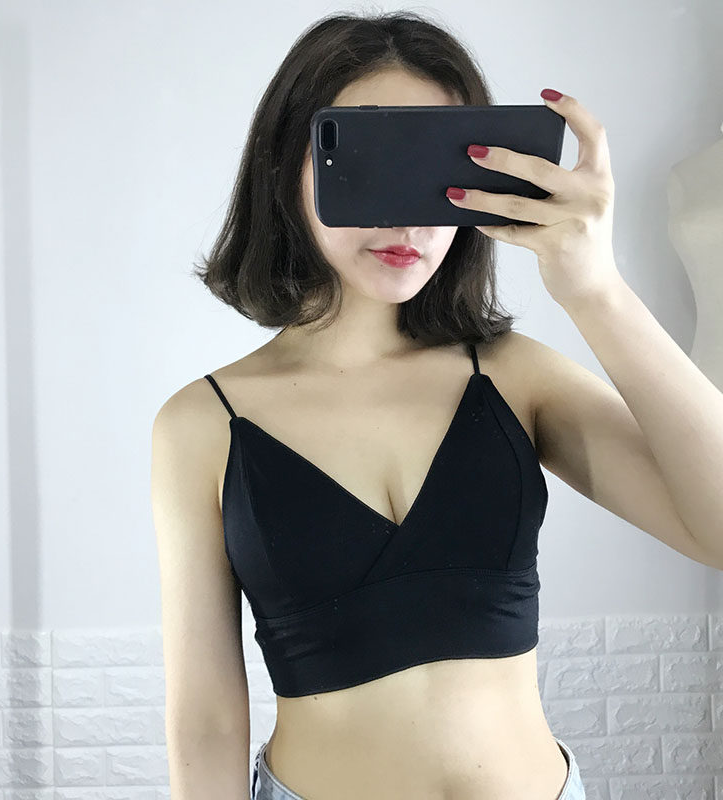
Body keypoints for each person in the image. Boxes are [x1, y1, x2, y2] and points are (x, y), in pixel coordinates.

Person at [153, 10, 592, 799]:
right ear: (287, 167)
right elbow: (207, 719)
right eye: (370, 162)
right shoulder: (203, 423)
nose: (408, 217)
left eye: (435, 168)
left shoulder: (514, 377)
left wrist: (596, 287)